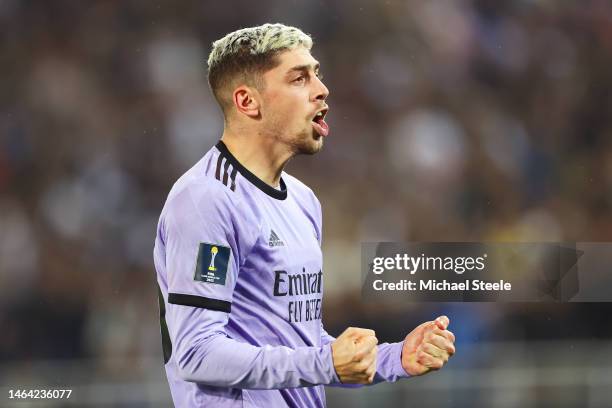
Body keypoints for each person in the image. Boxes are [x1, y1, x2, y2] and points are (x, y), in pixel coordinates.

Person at [153, 23, 455, 407]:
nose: (321, 88)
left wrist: (394, 358)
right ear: (248, 102)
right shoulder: (206, 200)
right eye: (299, 78)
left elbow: (300, 342)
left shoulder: (302, 200)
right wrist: (325, 362)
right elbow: (196, 353)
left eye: (317, 73)